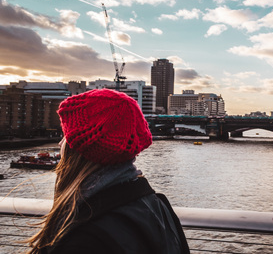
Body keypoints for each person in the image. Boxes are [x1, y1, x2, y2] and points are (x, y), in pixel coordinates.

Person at [27, 89, 190, 254]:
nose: (60, 143)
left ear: (79, 149)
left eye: (65, 135)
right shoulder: (159, 207)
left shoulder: (84, 237)